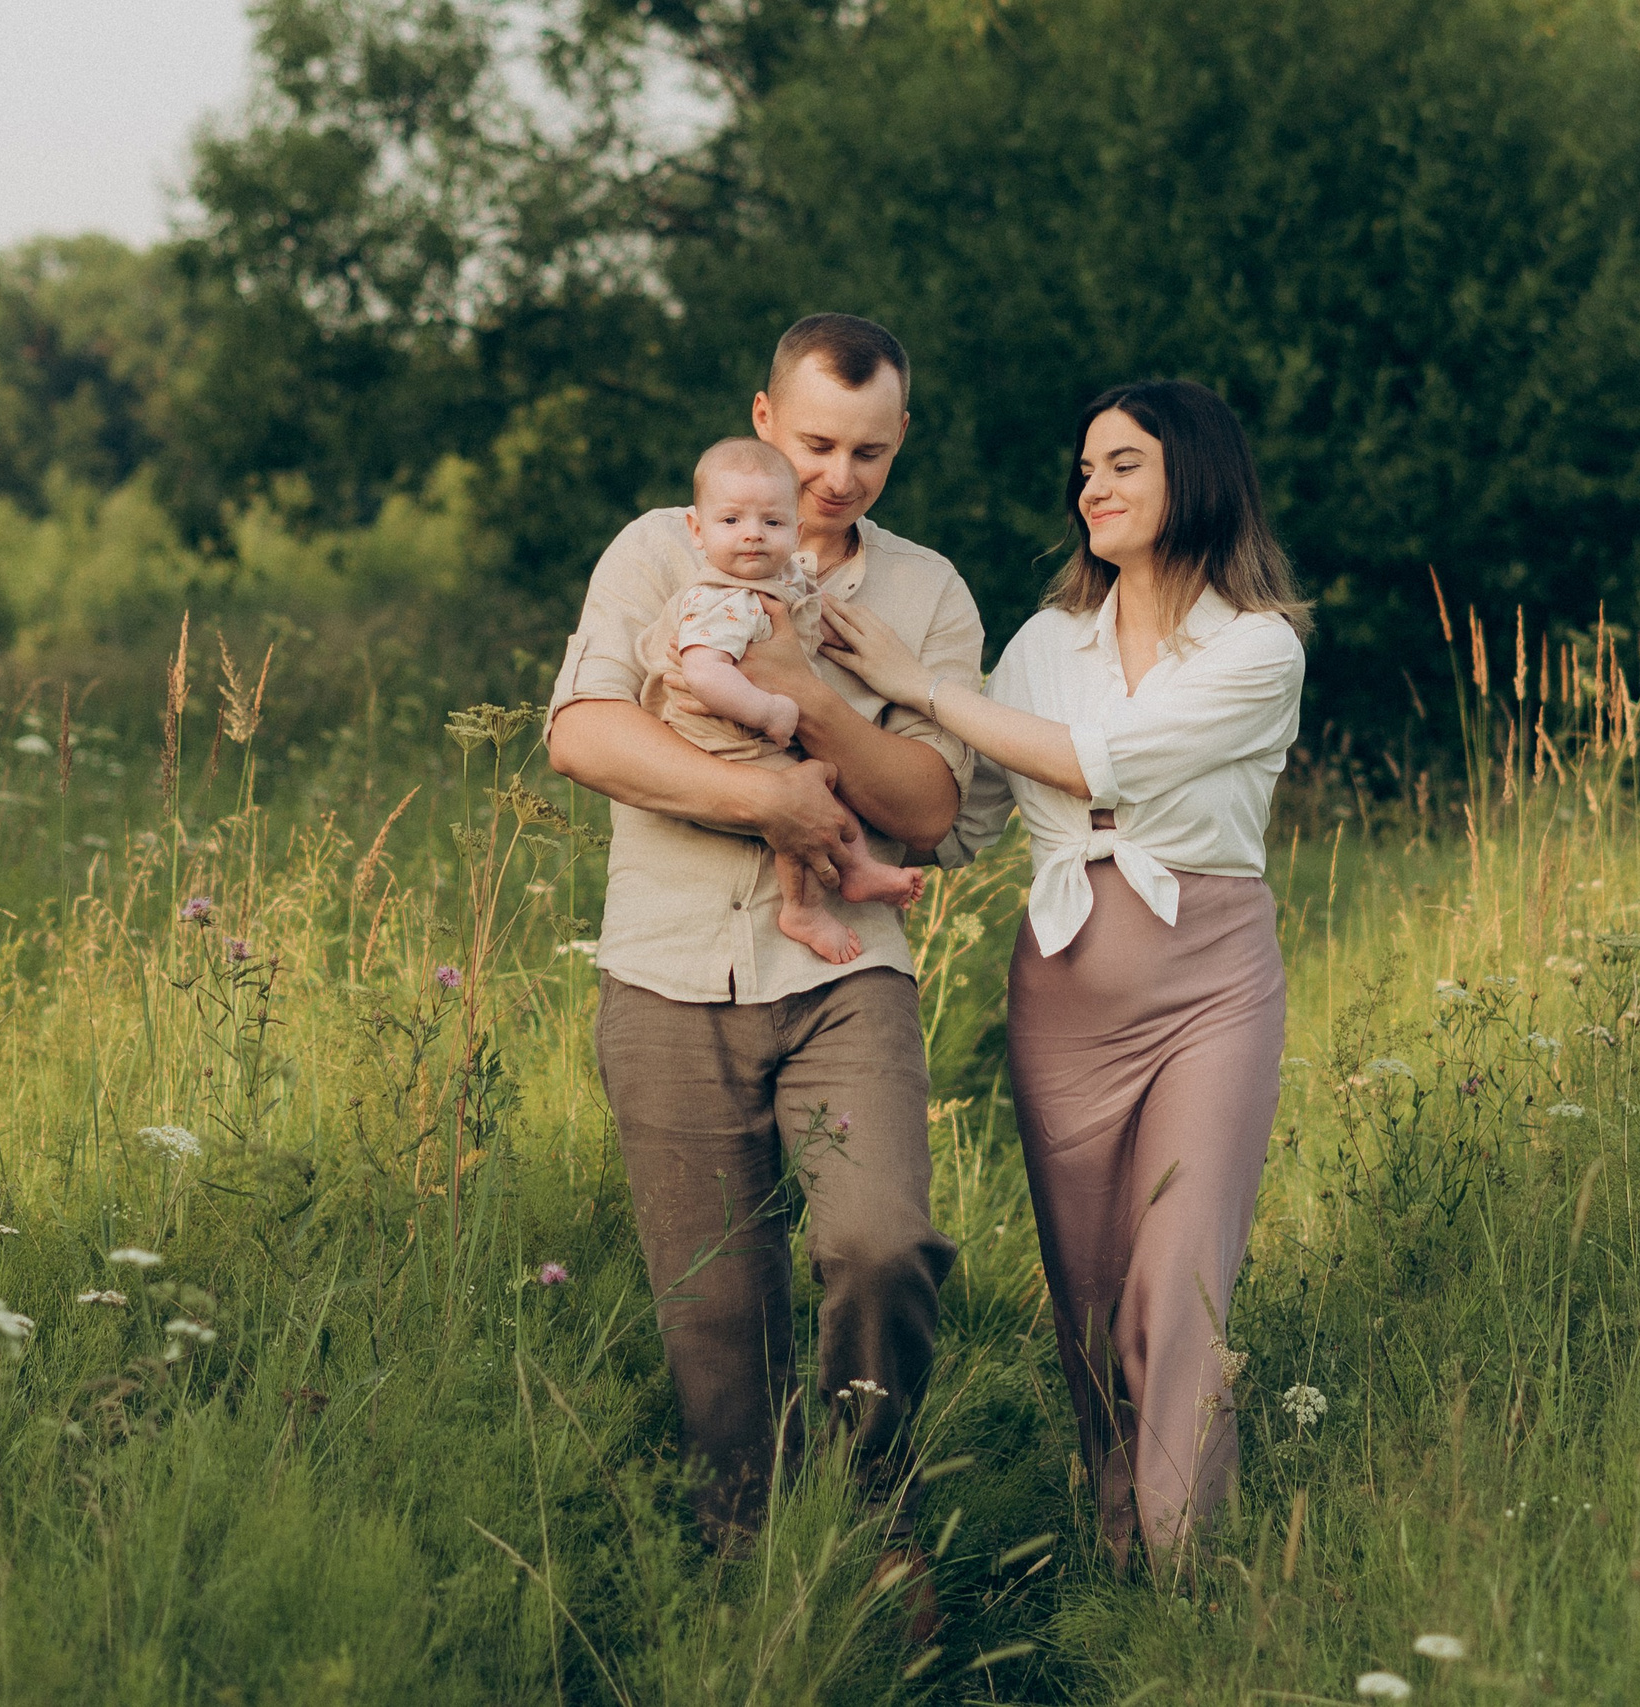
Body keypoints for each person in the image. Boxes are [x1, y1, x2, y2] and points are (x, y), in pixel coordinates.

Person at [821, 378, 1308, 1572]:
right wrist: (814, 759)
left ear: (1193, 474)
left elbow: (1106, 765)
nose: (1090, 486)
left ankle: (1194, 1586)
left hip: (1210, 977)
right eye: (1084, 467)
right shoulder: (1045, 642)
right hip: (1064, 976)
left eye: (1122, 463)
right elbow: (968, 815)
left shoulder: (1257, 647)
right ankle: (1119, 1556)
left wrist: (928, 683)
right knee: (1089, 1315)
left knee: (1175, 1293)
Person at [545, 315, 985, 1557]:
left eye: (870, 453)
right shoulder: (659, 547)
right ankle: (751, 1590)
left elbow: (931, 808)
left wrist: (797, 687)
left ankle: (870, 1524)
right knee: (718, 1326)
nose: (836, 478)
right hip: (667, 968)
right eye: (812, 446)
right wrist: (767, 797)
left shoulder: (927, 591)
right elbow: (583, 732)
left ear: (899, 446)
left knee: (880, 1244)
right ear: (760, 421)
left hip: (845, 972)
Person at [642, 435, 927, 964]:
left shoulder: (775, 580)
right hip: (724, 738)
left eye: (771, 524)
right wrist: (770, 710)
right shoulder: (720, 601)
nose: (752, 535)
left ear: (796, 533)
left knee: (824, 782)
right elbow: (705, 676)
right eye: (731, 522)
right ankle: (803, 908)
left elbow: (803, 612)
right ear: (697, 532)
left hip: (743, 727)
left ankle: (858, 868)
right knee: (803, 804)